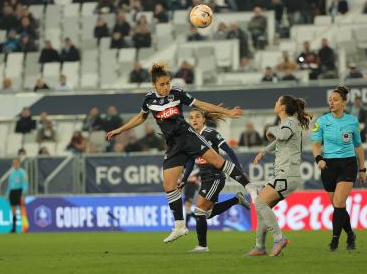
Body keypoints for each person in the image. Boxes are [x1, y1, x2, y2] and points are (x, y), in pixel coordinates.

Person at [106, 62, 258, 243]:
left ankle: (250, 187)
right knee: (169, 185)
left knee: (218, 162)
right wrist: (120, 130)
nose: (166, 87)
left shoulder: (176, 93)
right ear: (154, 85)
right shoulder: (148, 100)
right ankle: (179, 226)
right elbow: (141, 117)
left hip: (188, 137)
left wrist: (227, 112)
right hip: (173, 145)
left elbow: (200, 104)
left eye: (167, 83)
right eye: (162, 84)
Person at [246, 95, 312, 257]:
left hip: (287, 174)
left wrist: (270, 129)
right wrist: (264, 150)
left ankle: (279, 238)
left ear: (282, 107)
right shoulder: (288, 123)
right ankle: (260, 247)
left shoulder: (289, 122)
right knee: (263, 207)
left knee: (260, 203)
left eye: (277, 101)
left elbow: (281, 135)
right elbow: (281, 140)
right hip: (287, 174)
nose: (274, 103)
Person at [179, 108, 251, 252]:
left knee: (199, 210)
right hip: (205, 178)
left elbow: (229, 151)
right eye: (191, 117)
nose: (194, 120)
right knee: (207, 213)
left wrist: (240, 171)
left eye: (197, 117)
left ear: (203, 119)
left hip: (215, 177)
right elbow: (191, 162)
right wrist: (184, 179)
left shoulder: (211, 133)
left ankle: (202, 246)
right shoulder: (191, 137)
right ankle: (236, 200)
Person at [312, 85, 367, 252]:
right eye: (330, 100)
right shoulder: (321, 121)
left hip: (347, 164)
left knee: (339, 202)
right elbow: (315, 145)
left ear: (344, 102)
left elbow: (358, 146)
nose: (332, 102)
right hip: (328, 166)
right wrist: (318, 159)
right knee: (338, 207)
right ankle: (350, 234)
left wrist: (362, 169)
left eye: (335, 100)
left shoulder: (352, 121)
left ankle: (334, 241)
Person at [6, 158, 29, 233]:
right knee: (13, 211)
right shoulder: (12, 173)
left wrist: (23, 194)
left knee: (22, 209)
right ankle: (14, 228)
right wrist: (7, 194)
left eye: (16, 163)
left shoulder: (22, 172)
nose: (15, 164)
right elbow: (9, 185)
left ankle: (25, 227)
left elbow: (25, 183)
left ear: (19, 163)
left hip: (19, 191)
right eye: (14, 163)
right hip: (12, 192)